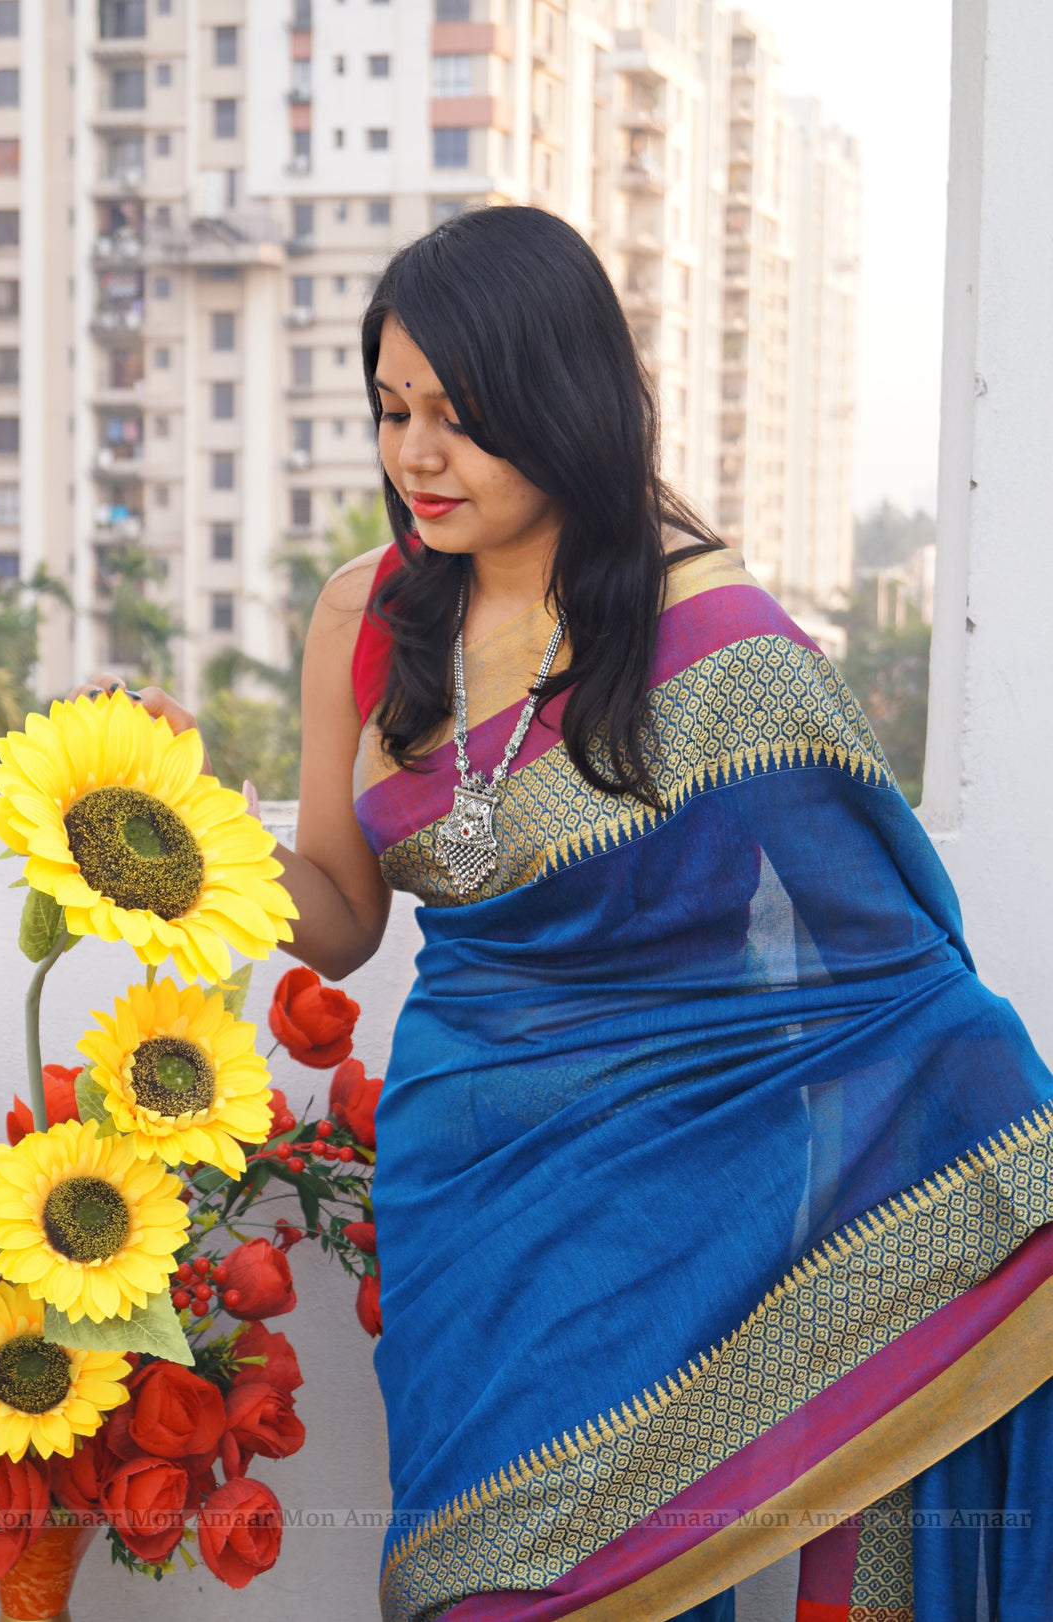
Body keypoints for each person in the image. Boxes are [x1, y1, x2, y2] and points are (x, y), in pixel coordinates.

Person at [76, 206, 1053, 1622]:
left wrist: (1004, 1151)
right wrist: (184, 827)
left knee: (636, 1578)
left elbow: (882, 962)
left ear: (561, 404)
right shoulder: (365, 612)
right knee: (474, 1581)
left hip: (662, 1203)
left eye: (461, 418)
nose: (417, 454)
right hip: (464, 1189)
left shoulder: (711, 640)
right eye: (393, 410)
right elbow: (344, 916)